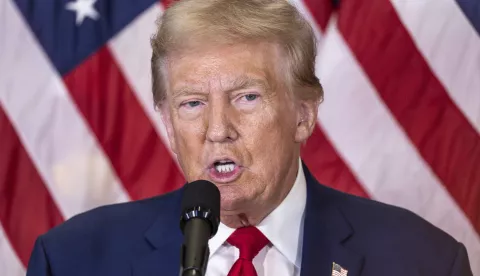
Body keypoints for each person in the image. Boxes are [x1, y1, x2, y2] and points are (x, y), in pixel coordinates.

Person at [26, 0, 472, 275]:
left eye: (247, 97)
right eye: (192, 103)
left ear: (304, 114)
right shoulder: (73, 261)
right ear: (166, 122)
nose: (218, 130)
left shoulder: (421, 260)